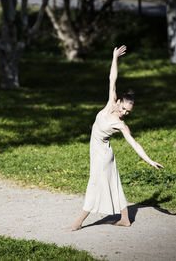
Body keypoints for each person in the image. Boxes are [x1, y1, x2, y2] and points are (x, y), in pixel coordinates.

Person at [69, 45, 164, 231]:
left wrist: (150, 161)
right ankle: (125, 219)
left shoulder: (121, 124)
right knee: (114, 182)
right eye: (123, 109)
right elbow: (112, 78)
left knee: (95, 185)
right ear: (119, 102)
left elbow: (134, 144)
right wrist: (114, 58)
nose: (124, 113)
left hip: (102, 155)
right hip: (101, 151)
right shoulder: (111, 102)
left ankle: (78, 223)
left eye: (128, 112)